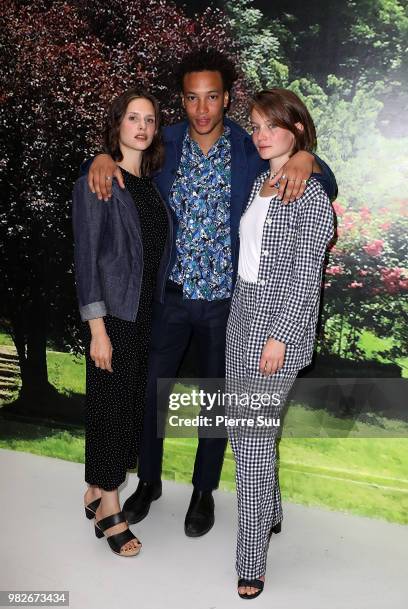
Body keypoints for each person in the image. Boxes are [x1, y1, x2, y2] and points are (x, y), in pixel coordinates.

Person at [84, 48, 338, 538]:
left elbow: (323, 178)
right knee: (151, 395)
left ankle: (203, 493)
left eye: (213, 97)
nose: (202, 109)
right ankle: (149, 483)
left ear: (227, 99)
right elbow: (125, 157)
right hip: (171, 297)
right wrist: (100, 155)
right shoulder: (166, 143)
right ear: (183, 101)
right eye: (192, 98)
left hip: (228, 305)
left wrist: (309, 157)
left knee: (217, 402)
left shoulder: (250, 146)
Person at [225, 89, 335, 598]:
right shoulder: (261, 183)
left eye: (272, 126)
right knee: (248, 435)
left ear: (297, 130)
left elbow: (305, 273)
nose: (261, 135)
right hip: (240, 315)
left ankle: (251, 562)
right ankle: (269, 512)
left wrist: (280, 337)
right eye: (256, 125)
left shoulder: (308, 192)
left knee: (250, 446)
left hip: (275, 324)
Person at [72, 88, 171, 556]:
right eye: (133, 118)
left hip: (144, 316)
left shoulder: (149, 186)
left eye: (149, 120)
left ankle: (95, 490)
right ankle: (110, 509)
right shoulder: (99, 180)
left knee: (127, 412)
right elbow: (86, 260)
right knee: (110, 412)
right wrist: (97, 329)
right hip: (112, 317)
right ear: (118, 125)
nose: (142, 127)